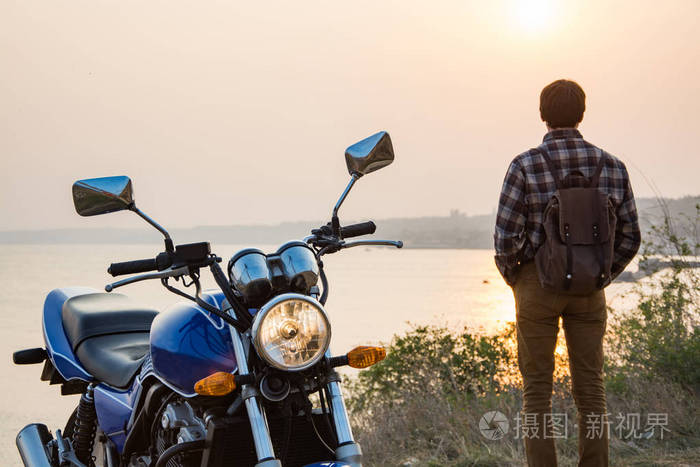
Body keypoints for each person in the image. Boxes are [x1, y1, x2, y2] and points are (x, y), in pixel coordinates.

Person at [494, 79, 641, 467]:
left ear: (543, 115)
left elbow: (506, 236)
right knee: (591, 389)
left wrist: (522, 275)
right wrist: (602, 271)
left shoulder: (524, 165)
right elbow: (630, 235)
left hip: (536, 285)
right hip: (590, 287)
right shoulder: (611, 166)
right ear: (582, 113)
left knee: (537, 391)